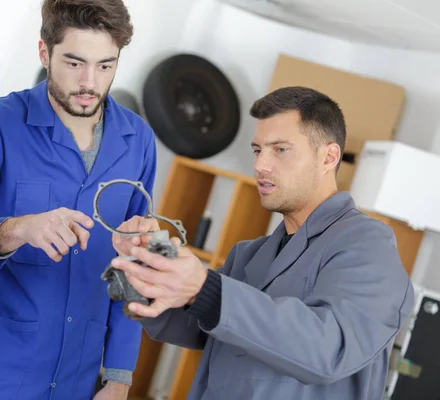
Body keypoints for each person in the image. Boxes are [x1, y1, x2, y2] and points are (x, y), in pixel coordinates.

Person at [111, 86, 415, 400]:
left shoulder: (368, 245)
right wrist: (147, 266)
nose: (260, 165)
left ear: (329, 157)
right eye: (258, 150)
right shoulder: (248, 255)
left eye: (280, 149)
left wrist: (204, 288)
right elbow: (201, 330)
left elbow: (329, 349)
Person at [0, 0, 157, 399]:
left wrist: (119, 374)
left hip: (77, 378)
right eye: (74, 63)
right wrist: (16, 229)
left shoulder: (138, 142)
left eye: (105, 65)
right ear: (44, 53)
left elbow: (134, 265)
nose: (90, 82)